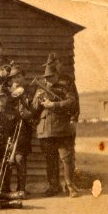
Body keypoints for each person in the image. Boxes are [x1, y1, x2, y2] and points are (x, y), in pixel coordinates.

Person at [32, 64, 79, 197]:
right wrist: (38, 98)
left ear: (56, 75)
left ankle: (70, 186)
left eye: (51, 76)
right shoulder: (40, 88)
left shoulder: (64, 87)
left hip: (61, 127)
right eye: (46, 77)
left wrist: (54, 104)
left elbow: (72, 102)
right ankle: (53, 186)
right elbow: (34, 110)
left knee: (66, 158)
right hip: (45, 128)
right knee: (50, 159)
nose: (48, 79)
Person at [7, 65, 36, 194]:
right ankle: (6, 188)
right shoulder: (8, 91)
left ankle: (21, 188)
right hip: (11, 126)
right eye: (14, 78)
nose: (16, 80)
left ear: (23, 76)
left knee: (20, 157)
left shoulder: (30, 90)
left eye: (18, 76)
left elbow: (35, 108)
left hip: (25, 127)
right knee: (9, 156)